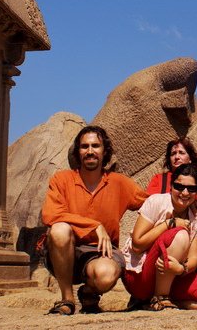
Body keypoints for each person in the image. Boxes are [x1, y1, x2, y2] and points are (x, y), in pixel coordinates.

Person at [42, 125, 147, 315]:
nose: (90, 151)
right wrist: (94, 226)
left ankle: (88, 293)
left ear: (104, 151)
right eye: (84, 146)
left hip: (101, 252)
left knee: (106, 276)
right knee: (59, 229)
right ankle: (67, 300)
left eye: (95, 146)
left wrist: (188, 200)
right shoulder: (61, 179)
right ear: (78, 151)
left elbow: (150, 203)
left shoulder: (118, 182)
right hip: (66, 251)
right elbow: (51, 215)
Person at [122, 164, 197, 310]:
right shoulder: (157, 202)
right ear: (171, 186)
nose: (184, 193)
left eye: (191, 189)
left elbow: (194, 258)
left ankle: (170, 303)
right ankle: (161, 298)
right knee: (181, 234)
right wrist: (169, 223)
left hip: (173, 276)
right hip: (141, 277)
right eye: (179, 186)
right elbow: (137, 244)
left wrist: (181, 269)